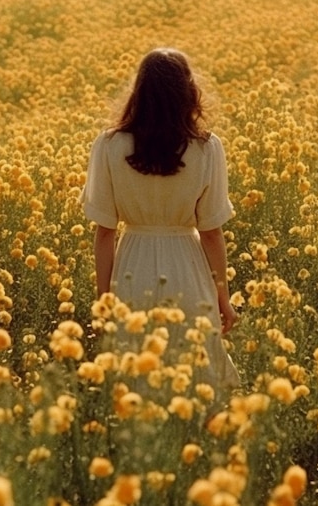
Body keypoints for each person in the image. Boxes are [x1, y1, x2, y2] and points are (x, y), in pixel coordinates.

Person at [80, 47, 240, 395]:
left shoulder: (108, 146)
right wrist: (222, 298)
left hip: (132, 269)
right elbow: (211, 233)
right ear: (188, 91)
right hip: (189, 270)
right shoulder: (207, 148)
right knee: (193, 380)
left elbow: (104, 232)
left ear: (138, 91)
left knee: (137, 381)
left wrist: (103, 301)